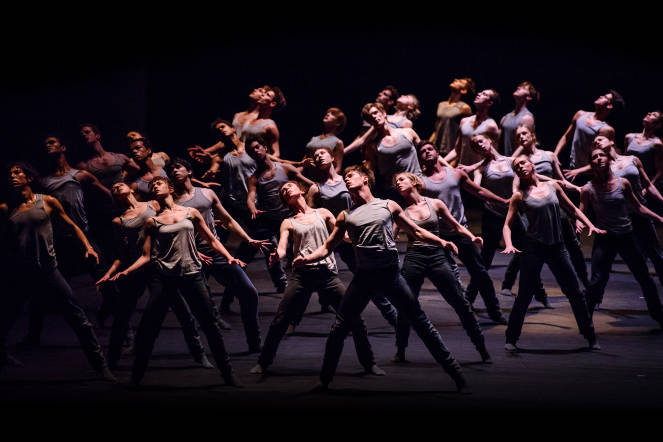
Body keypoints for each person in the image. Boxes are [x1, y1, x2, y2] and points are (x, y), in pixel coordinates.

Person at [293, 165, 470, 393]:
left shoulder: (388, 204)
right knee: (339, 328)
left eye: (350, 175)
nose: (346, 179)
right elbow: (328, 246)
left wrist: (441, 242)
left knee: (421, 323)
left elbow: (416, 231)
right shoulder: (346, 215)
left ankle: (458, 376)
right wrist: (305, 260)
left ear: (365, 179)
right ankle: (325, 379)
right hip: (364, 277)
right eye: (345, 177)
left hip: (390, 275)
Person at [109, 176, 243, 387]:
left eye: (159, 183)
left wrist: (229, 257)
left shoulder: (190, 213)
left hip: (192, 275)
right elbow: (146, 256)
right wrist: (126, 271)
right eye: (152, 185)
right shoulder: (152, 221)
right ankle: (136, 378)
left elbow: (211, 240)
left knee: (210, 326)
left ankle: (228, 374)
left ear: (170, 188)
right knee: (148, 329)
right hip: (166, 278)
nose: (154, 186)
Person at [249, 181, 385, 377]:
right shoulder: (288, 222)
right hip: (302, 275)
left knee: (354, 318)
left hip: (327, 274)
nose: (286, 188)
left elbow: (344, 237)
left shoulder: (323, 213)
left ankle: (369, 364)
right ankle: (263, 362)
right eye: (283, 191)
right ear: (286, 201)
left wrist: (361, 234)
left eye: (289, 185)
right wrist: (277, 255)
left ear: (301, 190)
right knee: (280, 320)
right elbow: (282, 247)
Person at [0, 161, 115, 381]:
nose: (12, 176)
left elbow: (72, 225)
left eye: (17, 173)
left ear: (29, 178)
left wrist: (88, 247)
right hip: (21, 273)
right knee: (6, 316)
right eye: (10, 173)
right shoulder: (6, 208)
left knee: (78, 318)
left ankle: (101, 366)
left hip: (48, 271)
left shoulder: (48, 202)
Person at [96, 182, 213, 370]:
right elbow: (120, 254)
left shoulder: (154, 205)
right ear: (115, 197)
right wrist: (110, 273)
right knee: (123, 315)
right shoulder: (119, 221)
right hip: (136, 266)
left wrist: (193, 252)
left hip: (159, 267)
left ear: (132, 188)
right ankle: (111, 361)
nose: (116, 187)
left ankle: (198, 354)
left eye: (120, 184)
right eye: (114, 188)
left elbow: (172, 230)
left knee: (183, 312)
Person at [21, 136, 118, 346]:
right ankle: (33, 336)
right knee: (43, 288)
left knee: (108, 282)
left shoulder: (80, 175)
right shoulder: (43, 182)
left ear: (63, 147)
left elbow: (107, 194)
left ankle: (119, 329)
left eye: (52, 142)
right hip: (57, 242)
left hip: (82, 237)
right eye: (45, 143)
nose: (48, 145)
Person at [501, 155, 603, 352]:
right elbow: (507, 225)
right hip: (534, 249)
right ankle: (511, 338)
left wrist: (590, 224)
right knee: (524, 295)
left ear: (531, 164)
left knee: (575, 292)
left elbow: (572, 208)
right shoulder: (519, 195)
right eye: (516, 167)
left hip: (557, 247)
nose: (520, 167)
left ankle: (590, 337)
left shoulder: (552, 187)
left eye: (522, 163)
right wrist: (509, 243)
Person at [169, 157, 271, 352]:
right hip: (191, 257)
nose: (174, 171)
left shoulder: (207, 193)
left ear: (189, 171)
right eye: (171, 169)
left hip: (216, 253)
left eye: (178, 167)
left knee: (249, 293)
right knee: (200, 308)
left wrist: (247, 239)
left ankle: (254, 342)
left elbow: (228, 220)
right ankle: (202, 350)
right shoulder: (171, 201)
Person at [393, 172, 491, 364]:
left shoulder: (435, 203)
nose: (398, 183)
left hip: (437, 256)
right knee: (405, 304)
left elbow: (455, 225)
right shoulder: (401, 212)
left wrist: (471, 237)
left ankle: (481, 348)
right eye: (396, 183)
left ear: (414, 182)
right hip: (415, 257)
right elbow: (391, 235)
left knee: (460, 303)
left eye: (401, 180)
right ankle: (400, 349)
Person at [417, 140, 509, 324]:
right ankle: (464, 308)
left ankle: (494, 311)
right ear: (420, 158)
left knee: (480, 273)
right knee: (444, 278)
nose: (426, 152)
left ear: (436, 153)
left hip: (460, 232)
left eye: (429, 149)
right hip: (438, 236)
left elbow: (479, 191)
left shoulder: (455, 174)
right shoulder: (420, 181)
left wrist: (504, 201)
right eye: (422, 151)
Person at [305, 147, 399, 323]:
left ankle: (391, 316)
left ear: (332, 157)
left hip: (352, 234)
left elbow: (368, 204)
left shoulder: (348, 180)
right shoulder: (315, 188)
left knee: (365, 278)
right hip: (330, 235)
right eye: (315, 155)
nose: (318, 156)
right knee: (313, 275)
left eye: (322, 153)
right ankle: (308, 312)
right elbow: (311, 215)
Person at [579, 147, 663, 329]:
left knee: (645, 278)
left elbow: (638, 207)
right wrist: (580, 224)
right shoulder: (588, 189)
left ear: (609, 160)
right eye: (595, 156)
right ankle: (585, 319)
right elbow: (581, 212)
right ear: (591, 163)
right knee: (596, 281)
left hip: (626, 236)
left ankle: (659, 316)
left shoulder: (623, 183)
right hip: (605, 238)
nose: (599, 158)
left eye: (602, 155)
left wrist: (659, 218)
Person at [502, 125, 587, 302]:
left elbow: (560, 181)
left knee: (573, 249)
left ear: (533, 135)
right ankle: (511, 286)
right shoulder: (519, 163)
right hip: (533, 209)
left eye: (524, 133)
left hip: (557, 210)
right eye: (518, 136)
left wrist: (577, 195)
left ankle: (587, 286)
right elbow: (516, 188)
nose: (522, 137)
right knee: (529, 249)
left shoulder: (549, 155)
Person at [587, 136, 663, 289]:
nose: (597, 142)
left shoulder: (632, 159)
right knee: (603, 261)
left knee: (655, 253)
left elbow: (648, 185)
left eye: (600, 139)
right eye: (594, 143)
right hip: (619, 217)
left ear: (612, 141)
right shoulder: (603, 166)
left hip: (640, 212)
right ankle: (596, 297)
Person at [243, 134, 314, 293]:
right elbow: (250, 197)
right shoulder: (255, 178)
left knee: (306, 248)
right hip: (269, 218)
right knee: (269, 250)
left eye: (257, 147)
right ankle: (281, 284)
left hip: (290, 216)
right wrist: (252, 208)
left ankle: (321, 292)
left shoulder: (285, 168)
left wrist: (312, 201)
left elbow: (309, 184)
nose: (255, 151)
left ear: (265, 148)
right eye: (251, 150)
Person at [554, 90, 624, 181]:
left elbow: (604, 157)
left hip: (591, 174)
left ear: (609, 106)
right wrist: (555, 154)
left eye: (605, 97)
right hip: (573, 168)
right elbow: (566, 136)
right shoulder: (580, 114)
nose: (600, 96)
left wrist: (579, 171)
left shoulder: (605, 129)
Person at [443, 89, 501, 171]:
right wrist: (441, 162)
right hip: (462, 171)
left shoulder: (491, 126)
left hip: (480, 174)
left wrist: (472, 168)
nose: (479, 93)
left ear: (489, 103)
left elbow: (493, 156)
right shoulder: (464, 121)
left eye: (484, 94)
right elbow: (457, 150)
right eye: (480, 92)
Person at [430, 78, 474, 155]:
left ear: (463, 91)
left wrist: (456, 157)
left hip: (450, 149)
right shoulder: (441, 104)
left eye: (460, 81)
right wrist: (429, 144)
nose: (455, 79)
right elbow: (436, 129)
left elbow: (465, 135)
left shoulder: (464, 108)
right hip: (436, 147)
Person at [624, 111, 663, 196]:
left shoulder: (657, 144)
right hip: (626, 182)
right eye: (650, 113)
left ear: (658, 125)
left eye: (654, 115)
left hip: (642, 185)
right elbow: (624, 160)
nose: (649, 113)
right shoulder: (629, 137)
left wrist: (647, 189)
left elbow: (660, 172)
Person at [241, 86, 286, 157]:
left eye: (267, 95)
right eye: (264, 93)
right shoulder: (250, 119)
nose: (262, 94)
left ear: (272, 104)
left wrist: (264, 163)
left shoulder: (270, 126)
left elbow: (276, 153)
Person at [499, 81, 538, 156]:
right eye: (519, 86)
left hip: (518, 162)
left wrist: (512, 160)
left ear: (529, 97)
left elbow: (524, 144)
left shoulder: (527, 118)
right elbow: (498, 143)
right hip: (505, 161)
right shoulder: (505, 117)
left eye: (523, 88)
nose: (518, 87)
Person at [128, 137, 168, 201]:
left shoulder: (164, 167)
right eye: (131, 150)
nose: (134, 151)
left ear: (148, 150)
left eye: (137, 148)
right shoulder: (136, 183)